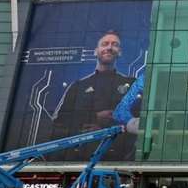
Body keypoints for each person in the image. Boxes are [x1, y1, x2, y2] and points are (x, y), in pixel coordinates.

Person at [52, 30, 140, 161]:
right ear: (95, 51)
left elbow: (142, 119)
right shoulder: (78, 86)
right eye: (105, 44)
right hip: (82, 158)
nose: (109, 47)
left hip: (122, 158)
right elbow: (59, 120)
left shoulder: (133, 84)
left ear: (119, 52)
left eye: (114, 44)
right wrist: (95, 117)